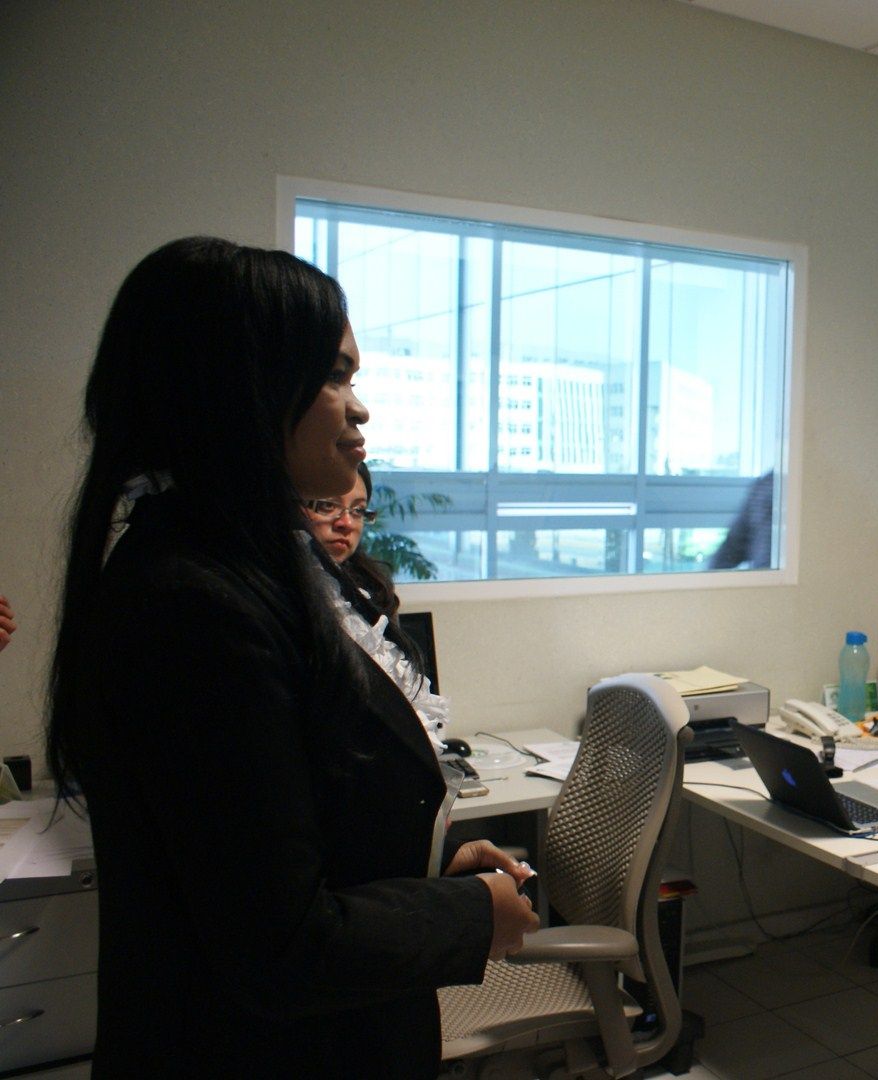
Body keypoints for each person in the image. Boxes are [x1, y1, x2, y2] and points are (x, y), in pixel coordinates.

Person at [46, 237, 538, 1078]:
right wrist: (469, 917)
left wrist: (427, 868)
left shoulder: (256, 567)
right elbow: (277, 944)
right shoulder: (194, 606)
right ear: (239, 387)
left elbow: (274, 837)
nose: (359, 410)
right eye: (336, 376)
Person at [303, 460, 399, 619]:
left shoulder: (376, 590)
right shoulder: (269, 595)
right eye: (328, 505)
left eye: (358, 510)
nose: (347, 523)